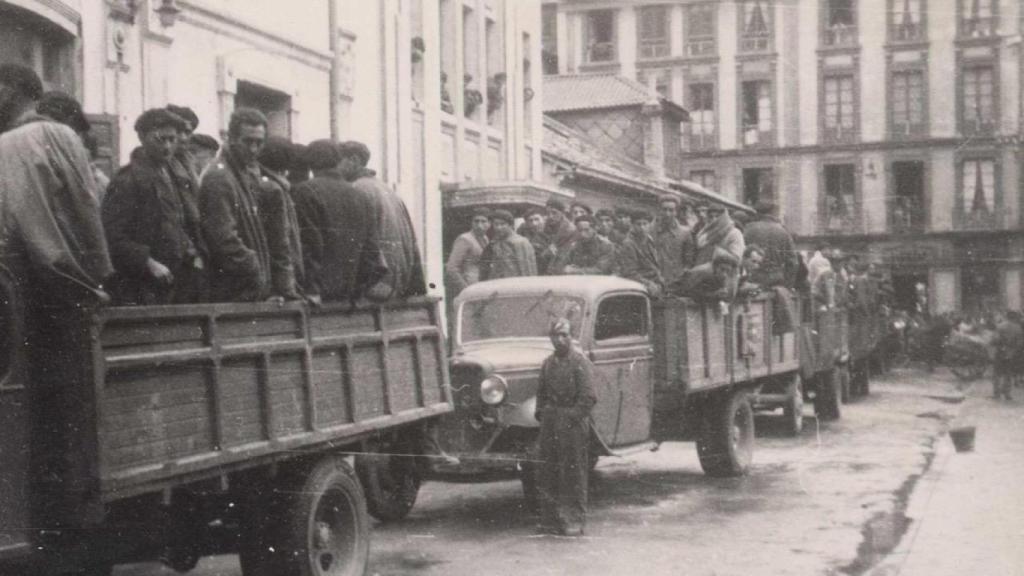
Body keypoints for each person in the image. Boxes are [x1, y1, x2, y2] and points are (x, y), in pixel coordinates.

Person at [0, 64, 113, 530]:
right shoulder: (62, 136)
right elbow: (87, 210)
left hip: (23, 293)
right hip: (66, 292)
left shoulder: (13, 144)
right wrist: (98, 278)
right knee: (70, 420)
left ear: (12, 91)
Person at [0, 64, 112, 301]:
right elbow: (85, 204)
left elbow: (85, 204)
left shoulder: (52, 135)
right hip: (59, 279)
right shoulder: (59, 135)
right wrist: (100, 273)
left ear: (7, 91)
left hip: (24, 279)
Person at [103, 108, 208, 305]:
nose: (167, 146)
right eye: (160, 139)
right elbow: (113, 237)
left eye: (172, 139)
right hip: (145, 285)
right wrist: (148, 263)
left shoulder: (177, 176)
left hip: (180, 280)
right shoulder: (128, 180)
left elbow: (185, 221)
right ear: (142, 137)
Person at [291, 139, 386, 303]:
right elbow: (372, 250)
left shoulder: (305, 191)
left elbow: (310, 244)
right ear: (337, 160)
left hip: (318, 299)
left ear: (311, 164)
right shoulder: (361, 195)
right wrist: (359, 291)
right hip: (349, 299)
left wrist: (312, 289)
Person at [199, 108, 277, 302]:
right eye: (247, 141)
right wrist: (254, 267)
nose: (253, 149)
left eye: (259, 143)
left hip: (244, 288)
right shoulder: (220, 177)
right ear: (231, 139)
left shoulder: (242, 174)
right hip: (231, 289)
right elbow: (223, 238)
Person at [337, 140, 426, 299]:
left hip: (376, 287)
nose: (336, 168)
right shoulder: (388, 190)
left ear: (354, 160)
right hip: (398, 285)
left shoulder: (356, 190)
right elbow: (413, 243)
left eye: (339, 161)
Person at [534, 317, 597, 537]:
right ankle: (550, 519)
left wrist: (570, 418)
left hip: (573, 423)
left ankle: (574, 520)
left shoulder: (580, 362)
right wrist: (544, 415)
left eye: (565, 335)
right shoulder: (548, 363)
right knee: (548, 471)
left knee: (573, 472)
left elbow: (588, 398)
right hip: (551, 422)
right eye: (555, 336)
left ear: (571, 337)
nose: (560, 340)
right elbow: (540, 394)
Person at [257, 136, 304, 301]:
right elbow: (281, 240)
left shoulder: (266, 185)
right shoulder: (274, 189)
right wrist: (287, 287)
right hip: (277, 288)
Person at [743, 201, 798, 289]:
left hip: (754, 280)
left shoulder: (748, 229)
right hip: (777, 280)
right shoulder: (783, 231)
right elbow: (793, 262)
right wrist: (788, 285)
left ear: (757, 213)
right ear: (772, 213)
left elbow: (742, 255)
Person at [479, 209, 537, 280]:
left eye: (502, 224)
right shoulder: (496, 243)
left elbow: (527, 270)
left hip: (517, 285)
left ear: (510, 225)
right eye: (496, 224)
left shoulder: (520, 242)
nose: (499, 227)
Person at [617, 210, 663, 296]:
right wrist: (648, 284)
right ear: (632, 225)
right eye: (638, 224)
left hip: (654, 282)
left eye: (645, 224)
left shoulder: (649, 240)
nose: (642, 227)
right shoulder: (629, 244)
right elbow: (629, 273)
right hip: (639, 286)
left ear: (649, 225)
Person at [445, 209, 490, 297]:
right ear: (471, 223)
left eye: (483, 221)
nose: (479, 225)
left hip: (482, 286)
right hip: (469, 286)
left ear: (489, 224)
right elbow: (451, 268)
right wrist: (465, 289)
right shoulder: (465, 239)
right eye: (476, 221)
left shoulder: (485, 238)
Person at [668, 247, 739, 302]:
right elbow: (686, 291)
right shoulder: (704, 272)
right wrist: (713, 295)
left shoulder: (721, 276)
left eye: (727, 271)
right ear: (715, 267)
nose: (724, 274)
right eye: (722, 269)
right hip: (672, 292)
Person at [654, 195, 696, 285]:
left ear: (676, 212)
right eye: (664, 209)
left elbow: (689, 261)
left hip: (675, 283)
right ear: (659, 211)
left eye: (671, 210)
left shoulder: (685, 233)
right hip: (654, 281)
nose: (667, 214)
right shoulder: (650, 231)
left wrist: (682, 276)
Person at [992, 312, 1022, 400]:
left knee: (997, 373)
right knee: (1008, 374)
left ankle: (996, 393)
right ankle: (1007, 393)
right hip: (1011, 353)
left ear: (1007, 317)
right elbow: (1020, 342)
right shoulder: (1018, 328)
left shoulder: (1000, 326)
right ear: (1014, 317)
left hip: (1000, 352)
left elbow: (995, 339)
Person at [541, 198, 575, 274]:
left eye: (554, 213)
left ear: (563, 213)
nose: (550, 216)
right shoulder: (544, 227)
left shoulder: (570, 230)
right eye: (548, 213)